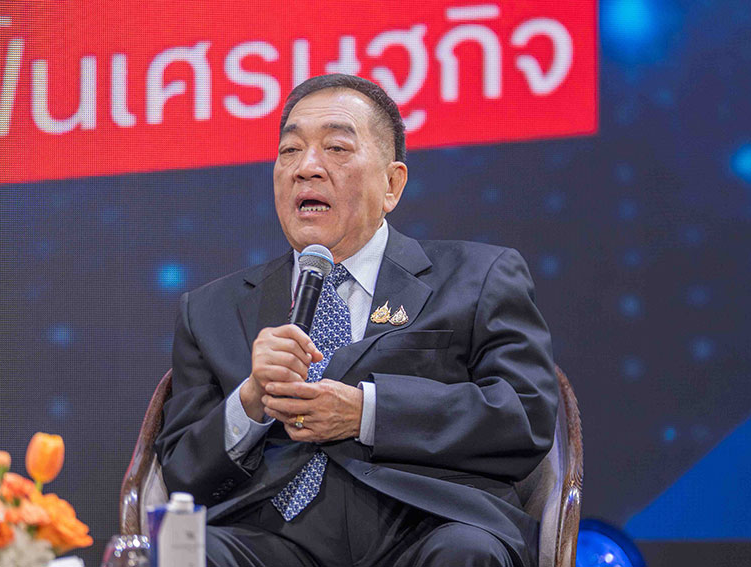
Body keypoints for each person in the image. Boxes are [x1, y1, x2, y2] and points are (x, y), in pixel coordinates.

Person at [154, 74, 559, 567]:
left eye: (337, 148)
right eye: (289, 151)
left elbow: (524, 416)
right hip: (266, 539)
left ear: (392, 184)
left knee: (466, 553)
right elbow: (179, 474)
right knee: (184, 552)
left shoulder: (478, 276)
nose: (306, 168)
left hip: (428, 527)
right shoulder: (210, 310)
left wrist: (368, 413)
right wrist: (251, 401)